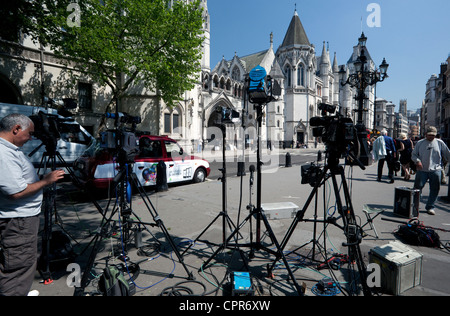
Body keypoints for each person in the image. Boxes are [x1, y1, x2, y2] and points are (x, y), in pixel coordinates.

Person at [0, 114, 65, 296]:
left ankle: (18, 290)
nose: (31, 138)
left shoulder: (10, 149)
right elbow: (16, 192)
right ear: (16, 129)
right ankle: (14, 291)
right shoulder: (3, 153)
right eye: (29, 133)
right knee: (18, 265)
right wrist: (46, 181)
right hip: (18, 221)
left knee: (16, 263)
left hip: (18, 218)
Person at [412, 126, 450, 215]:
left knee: (435, 189)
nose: (431, 137)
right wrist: (417, 161)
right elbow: (413, 155)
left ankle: (430, 206)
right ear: (426, 134)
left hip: (436, 169)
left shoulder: (440, 143)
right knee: (417, 188)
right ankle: (415, 205)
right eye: (429, 135)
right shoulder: (420, 143)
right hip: (422, 170)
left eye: (433, 135)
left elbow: (447, 154)